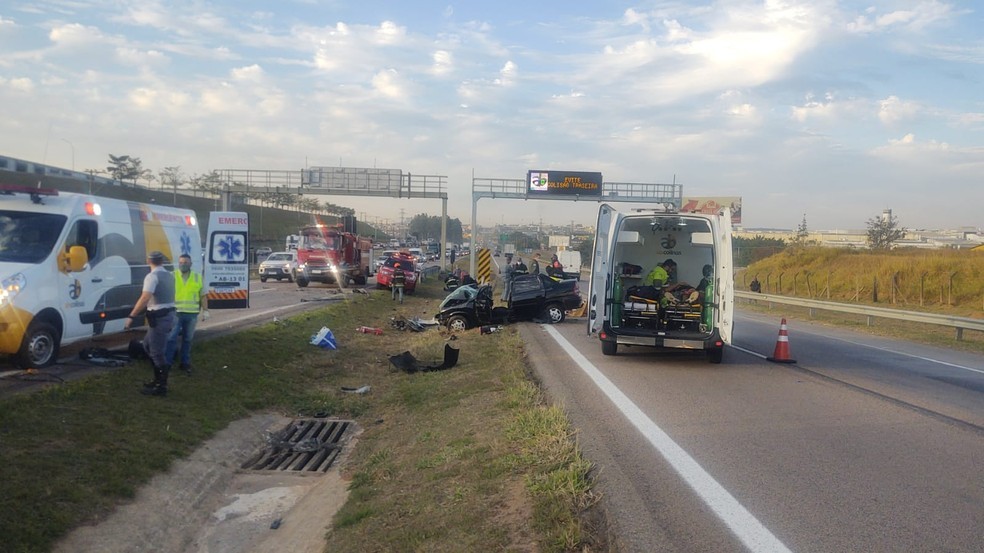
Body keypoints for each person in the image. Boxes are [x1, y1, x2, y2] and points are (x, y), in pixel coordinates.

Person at [125, 251, 176, 397]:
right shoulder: (170, 275)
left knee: (156, 352)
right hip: (166, 316)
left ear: (148, 261)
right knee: (147, 345)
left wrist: (131, 316)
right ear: (162, 261)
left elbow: (145, 297)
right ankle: (157, 380)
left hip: (159, 317)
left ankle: (161, 386)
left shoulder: (151, 276)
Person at [165, 254, 209, 375]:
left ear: (190, 264)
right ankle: (167, 364)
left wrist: (206, 310)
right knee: (171, 339)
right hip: (176, 313)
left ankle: (185, 363)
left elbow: (203, 295)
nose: (183, 264)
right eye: (181, 262)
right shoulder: (172, 276)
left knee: (188, 339)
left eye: (186, 262)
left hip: (191, 314)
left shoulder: (197, 277)